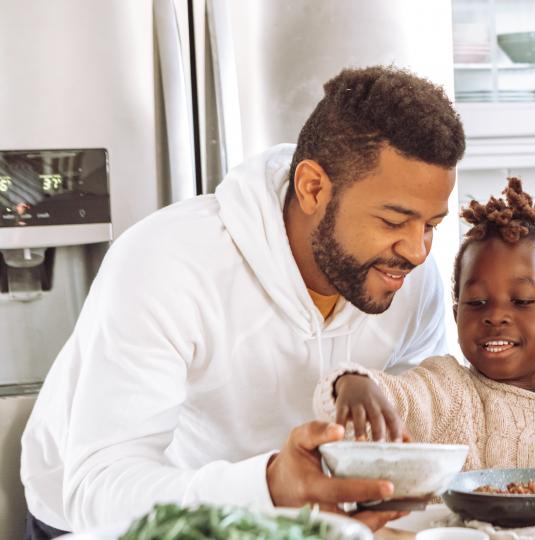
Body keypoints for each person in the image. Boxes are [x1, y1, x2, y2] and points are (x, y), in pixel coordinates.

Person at [21, 65, 465, 538]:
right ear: (312, 187)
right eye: (394, 222)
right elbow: (96, 490)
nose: (418, 252)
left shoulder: (409, 281)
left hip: (290, 523)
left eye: (431, 225)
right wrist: (270, 485)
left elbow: (401, 419)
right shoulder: (167, 263)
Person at [314, 178, 535, 471]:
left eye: (522, 301)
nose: (496, 316)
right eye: (477, 303)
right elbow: (389, 396)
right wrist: (351, 383)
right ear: (458, 314)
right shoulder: (445, 391)